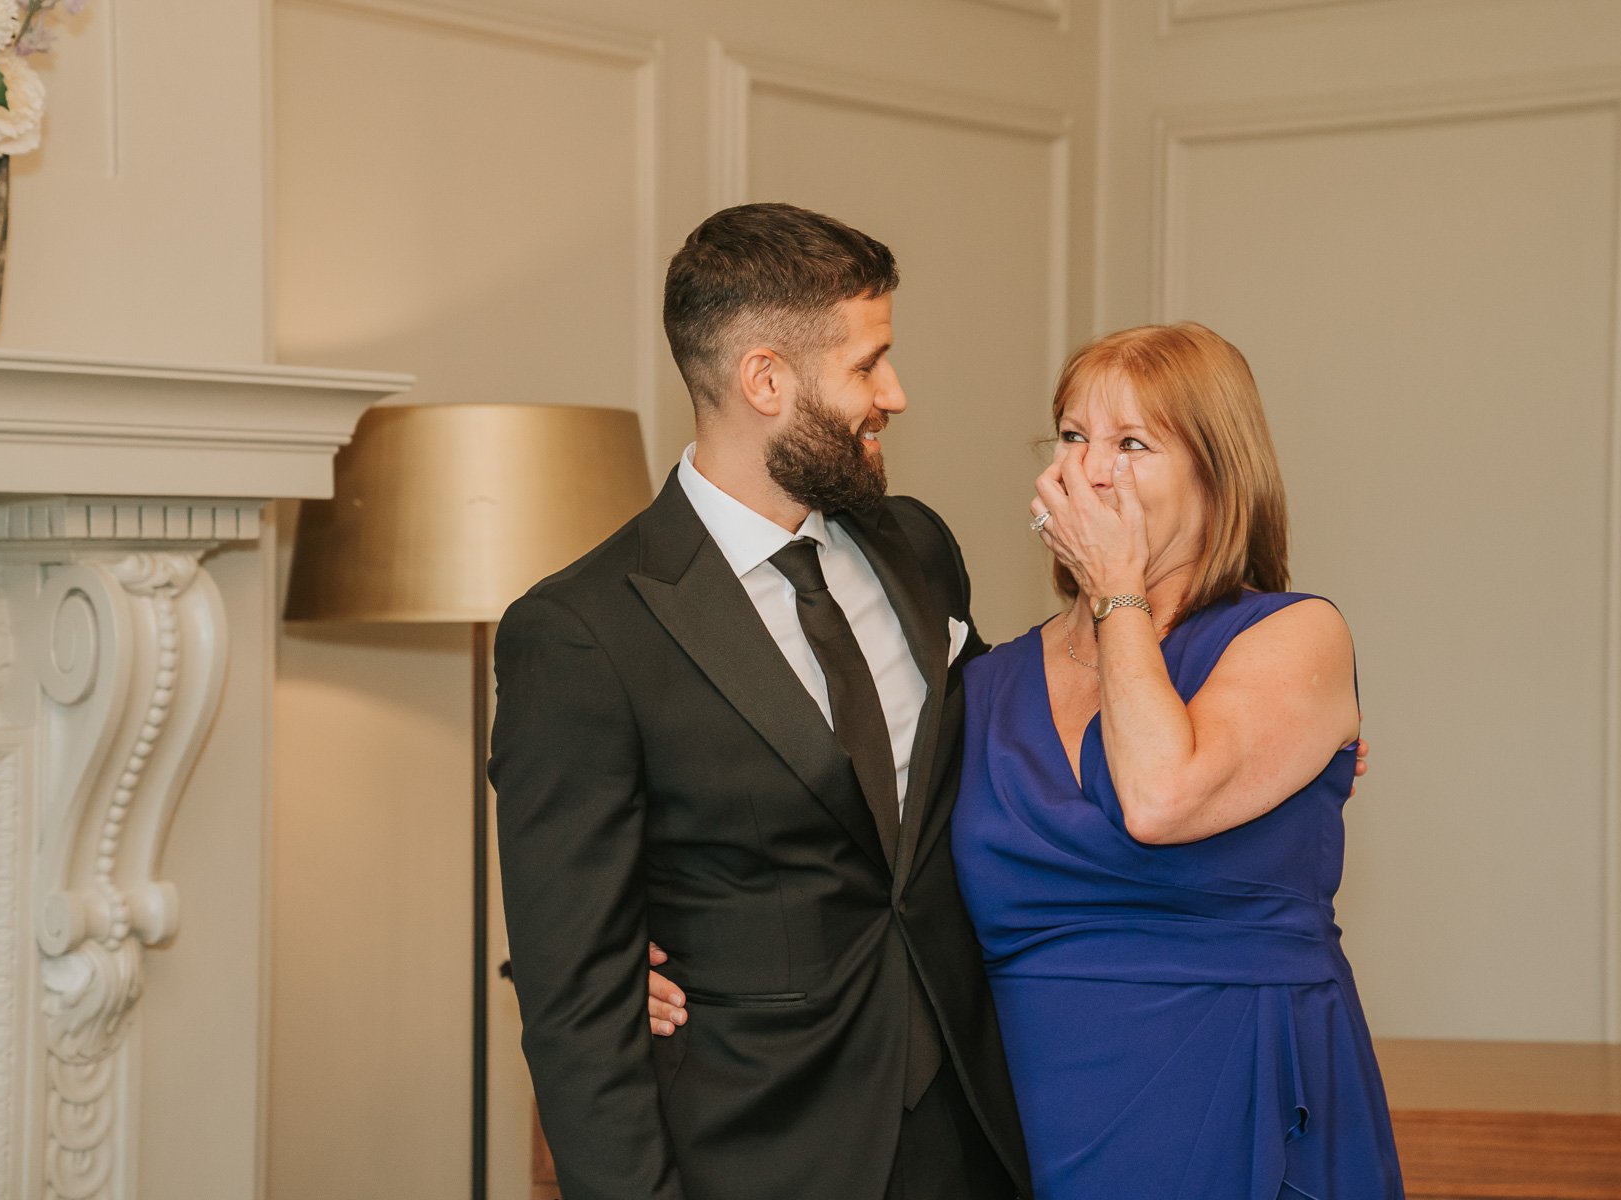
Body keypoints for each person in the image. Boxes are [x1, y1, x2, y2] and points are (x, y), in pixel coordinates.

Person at [488, 203, 1030, 1200]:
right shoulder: (581, 634)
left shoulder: (917, 547)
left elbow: (1001, 753)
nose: (896, 395)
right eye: (869, 364)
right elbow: (576, 1008)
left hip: (972, 1133)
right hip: (755, 1152)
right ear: (766, 379)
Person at [950, 323, 1404, 1198]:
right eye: (1073, 437)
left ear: (1217, 472)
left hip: (1235, 1093)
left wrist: (1116, 587)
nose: (1087, 470)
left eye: (1131, 444)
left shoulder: (1294, 633)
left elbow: (1157, 797)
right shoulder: (988, 680)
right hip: (1025, 1115)